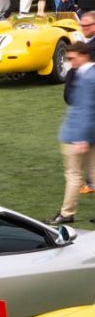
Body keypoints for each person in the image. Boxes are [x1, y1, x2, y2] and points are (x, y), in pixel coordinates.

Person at [49, 42, 95, 224]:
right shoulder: (88, 74)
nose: (70, 62)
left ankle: (66, 213)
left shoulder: (87, 77)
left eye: (72, 58)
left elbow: (86, 108)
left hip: (78, 134)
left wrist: (81, 137)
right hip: (89, 133)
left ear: (84, 55)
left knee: (74, 175)